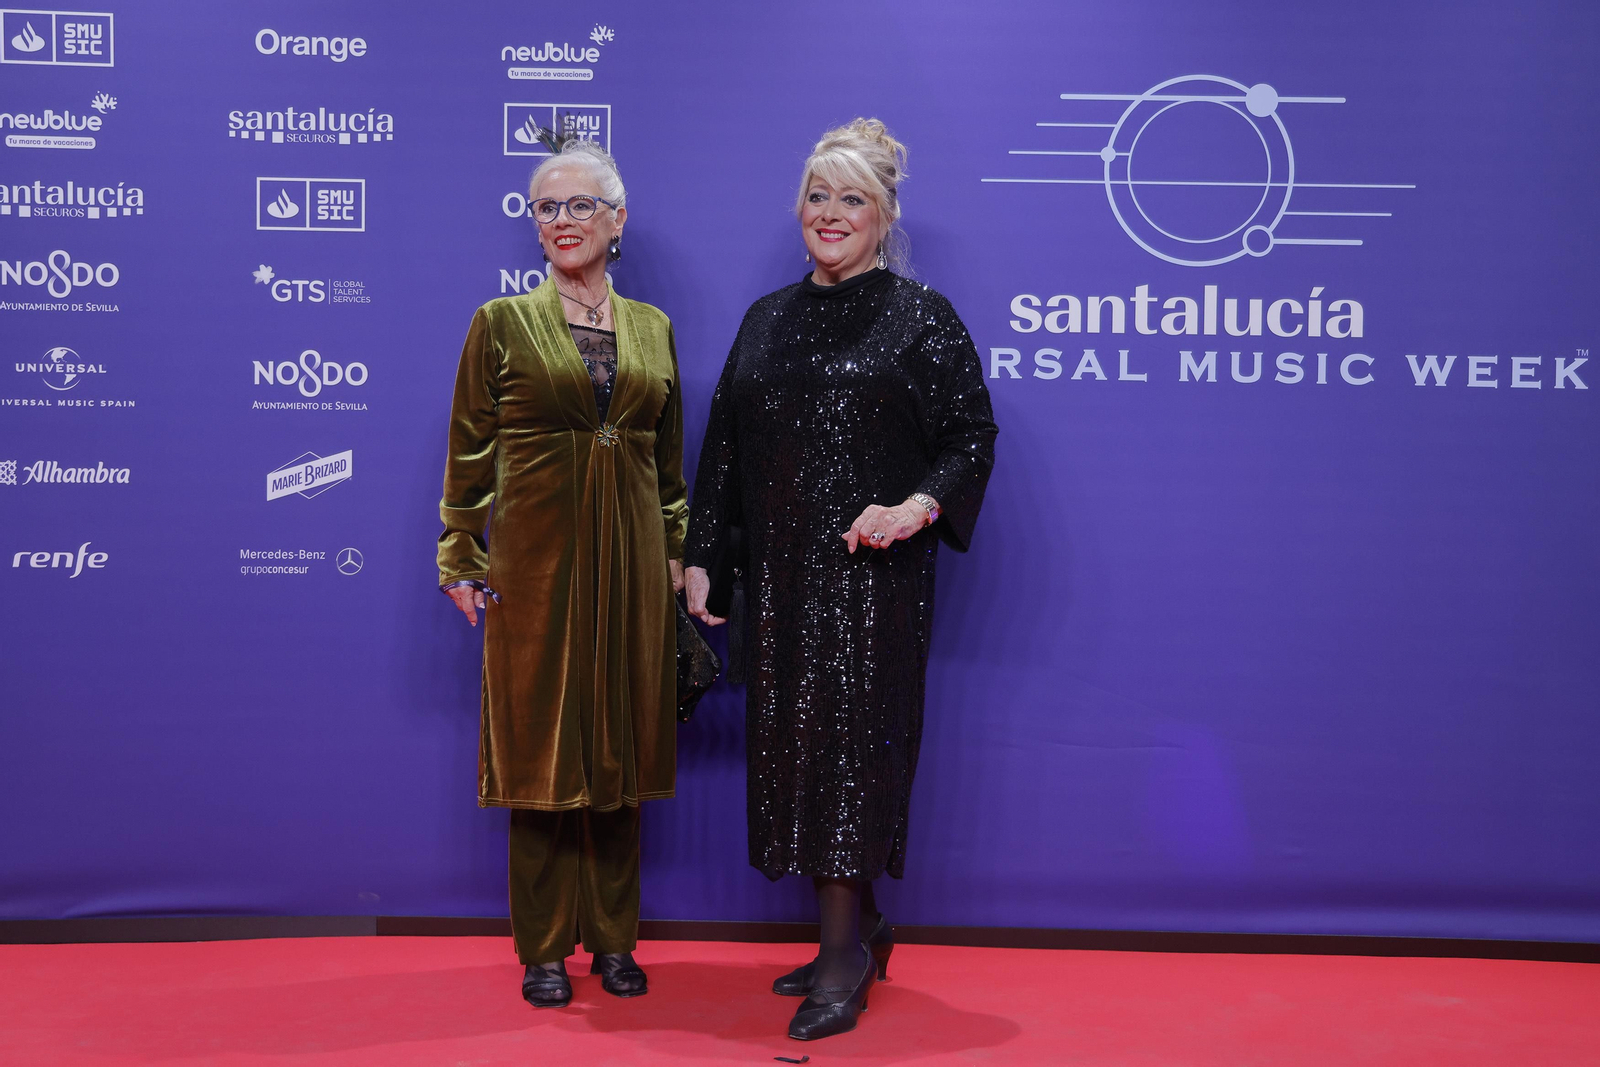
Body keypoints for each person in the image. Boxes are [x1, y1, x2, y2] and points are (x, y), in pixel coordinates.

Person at [684, 118, 998, 1041]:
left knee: (852, 758)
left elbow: (970, 438)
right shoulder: (766, 317)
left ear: (886, 214)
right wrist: (707, 554)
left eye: (852, 198)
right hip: (782, 585)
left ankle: (844, 953)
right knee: (795, 751)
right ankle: (859, 927)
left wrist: (914, 509)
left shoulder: (920, 316)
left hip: (872, 586)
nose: (831, 213)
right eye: (818, 195)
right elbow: (726, 450)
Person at [437, 138, 687, 1009]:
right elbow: (470, 451)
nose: (562, 222)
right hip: (534, 569)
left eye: (581, 206)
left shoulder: (652, 327)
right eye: (547, 207)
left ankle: (615, 940)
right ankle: (544, 947)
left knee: (617, 756)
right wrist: (459, 555)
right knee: (541, 758)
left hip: (632, 568)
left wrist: (676, 558)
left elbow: (669, 465)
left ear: (618, 220)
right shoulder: (500, 324)